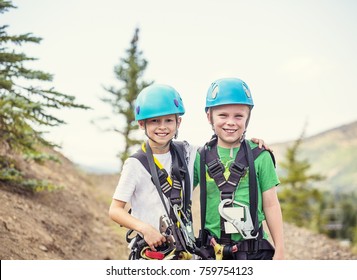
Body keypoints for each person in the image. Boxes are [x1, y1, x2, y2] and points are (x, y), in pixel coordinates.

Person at [109, 83, 270, 260]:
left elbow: (220, 148)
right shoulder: (135, 164)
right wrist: (144, 229)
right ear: (142, 124)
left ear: (179, 122)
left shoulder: (187, 152)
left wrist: (251, 145)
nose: (162, 127)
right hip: (150, 251)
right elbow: (115, 210)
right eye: (154, 121)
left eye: (169, 120)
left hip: (182, 251)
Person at [194, 77, 284, 260]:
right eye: (223, 115)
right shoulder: (200, 157)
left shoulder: (260, 155)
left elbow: (271, 204)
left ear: (247, 118)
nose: (231, 122)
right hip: (212, 251)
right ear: (209, 117)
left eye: (238, 116)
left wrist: (280, 250)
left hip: (254, 251)